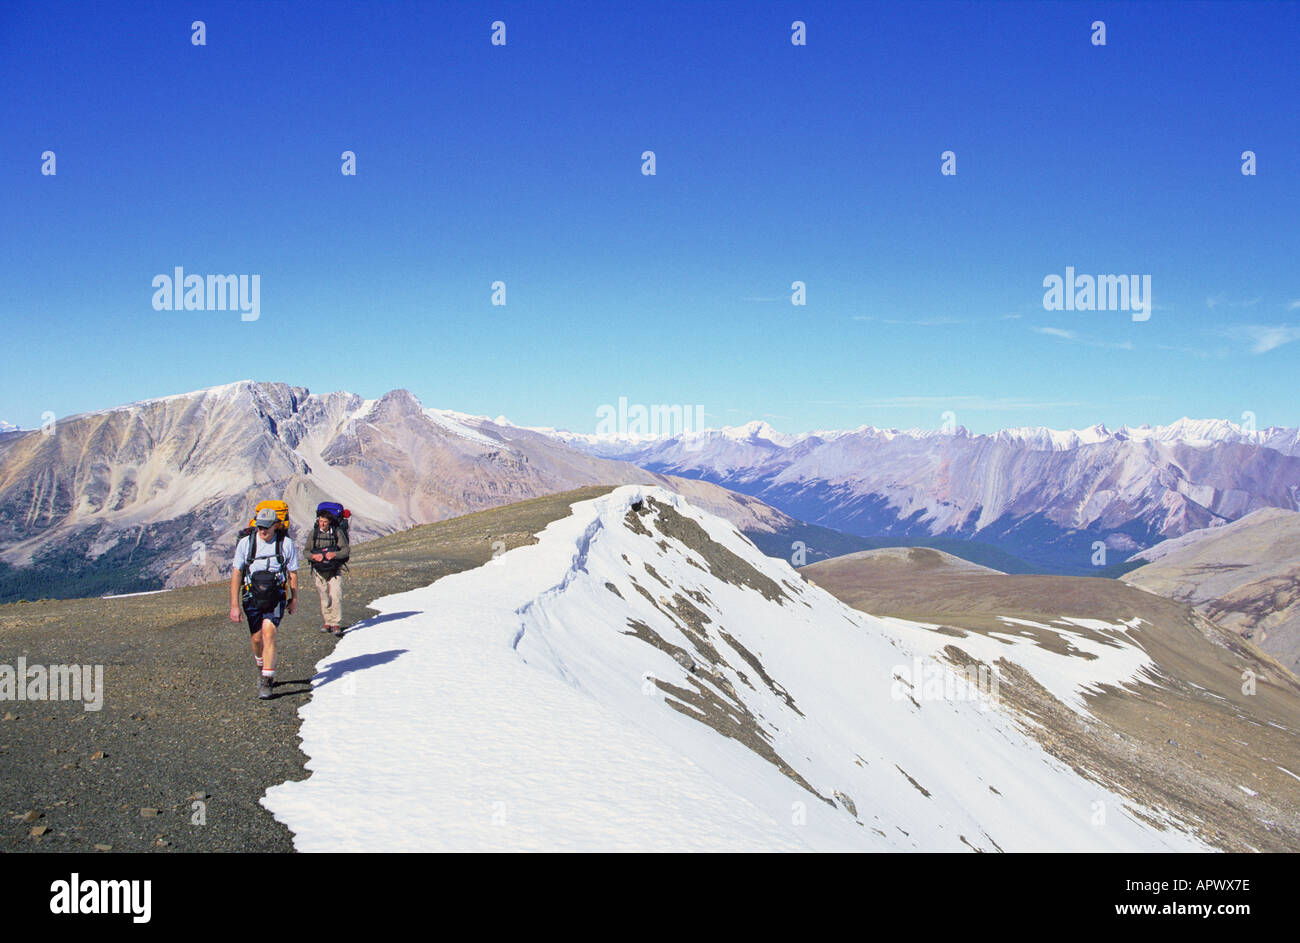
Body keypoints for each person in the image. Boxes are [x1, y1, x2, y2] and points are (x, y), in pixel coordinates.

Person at [229, 508, 299, 699]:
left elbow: (292, 573)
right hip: (251, 597)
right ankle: (261, 665)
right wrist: (234, 605)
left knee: (269, 632)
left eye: (266, 527)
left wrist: (294, 598)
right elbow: (237, 573)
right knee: (256, 638)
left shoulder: (286, 544)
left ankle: (267, 680)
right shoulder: (246, 544)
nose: (263, 531)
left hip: (276, 595)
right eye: (260, 527)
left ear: (276, 525)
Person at [307, 507, 350, 637]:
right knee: (324, 596)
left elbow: (346, 550)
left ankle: (335, 623)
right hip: (319, 570)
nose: (322, 524)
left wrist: (334, 555)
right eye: (320, 521)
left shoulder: (337, 532)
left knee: (335, 595)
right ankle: (327, 622)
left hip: (334, 569)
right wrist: (314, 557)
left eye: (325, 521)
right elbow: (306, 551)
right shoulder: (313, 534)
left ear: (329, 522)